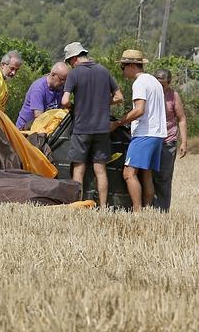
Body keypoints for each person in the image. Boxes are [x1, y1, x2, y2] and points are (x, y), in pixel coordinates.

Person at [61, 42, 124, 208]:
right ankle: (103, 207)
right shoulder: (104, 71)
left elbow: (65, 100)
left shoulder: (74, 74)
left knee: (79, 168)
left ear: (74, 58)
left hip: (82, 129)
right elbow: (119, 97)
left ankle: (78, 205)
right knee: (100, 169)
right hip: (102, 129)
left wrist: (74, 106)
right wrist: (102, 102)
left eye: (69, 62)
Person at [110, 50, 167, 212]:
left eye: (123, 66)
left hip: (144, 133)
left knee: (129, 173)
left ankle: (137, 211)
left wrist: (118, 123)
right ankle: (147, 209)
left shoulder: (140, 83)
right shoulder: (154, 81)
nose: (122, 70)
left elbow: (139, 110)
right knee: (146, 173)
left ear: (132, 65)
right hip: (157, 134)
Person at [151, 69, 187, 212]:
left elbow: (182, 119)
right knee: (149, 176)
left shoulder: (173, 95)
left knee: (164, 177)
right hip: (151, 140)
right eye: (158, 83)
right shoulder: (149, 92)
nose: (160, 87)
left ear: (169, 83)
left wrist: (184, 142)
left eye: (163, 85)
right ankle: (149, 207)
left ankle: (162, 210)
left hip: (168, 141)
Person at [16, 62, 69, 130]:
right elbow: (39, 117)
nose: (63, 82)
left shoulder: (60, 87)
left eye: (65, 80)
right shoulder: (38, 89)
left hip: (47, 126)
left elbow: (62, 109)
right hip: (26, 129)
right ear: (53, 74)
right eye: (61, 79)